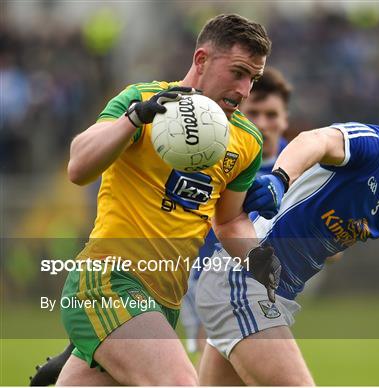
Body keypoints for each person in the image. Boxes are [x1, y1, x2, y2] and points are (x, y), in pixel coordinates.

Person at [196, 89, 379, 385]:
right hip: (243, 281)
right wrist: (280, 179)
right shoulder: (371, 145)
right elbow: (316, 141)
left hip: (270, 295)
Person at [54, 14, 281, 386]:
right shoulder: (142, 100)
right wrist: (133, 120)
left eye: (253, 79)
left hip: (165, 303)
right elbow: (78, 165)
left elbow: (227, 222)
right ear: (202, 60)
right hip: (107, 281)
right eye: (238, 72)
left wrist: (261, 259)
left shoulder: (246, 140)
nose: (244, 90)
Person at [180, 67, 293, 357]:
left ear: (285, 120)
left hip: (264, 281)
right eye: (254, 113)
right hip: (206, 272)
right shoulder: (217, 151)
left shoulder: (297, 166)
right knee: (216, 354)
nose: (262, 123)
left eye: (271, 115)